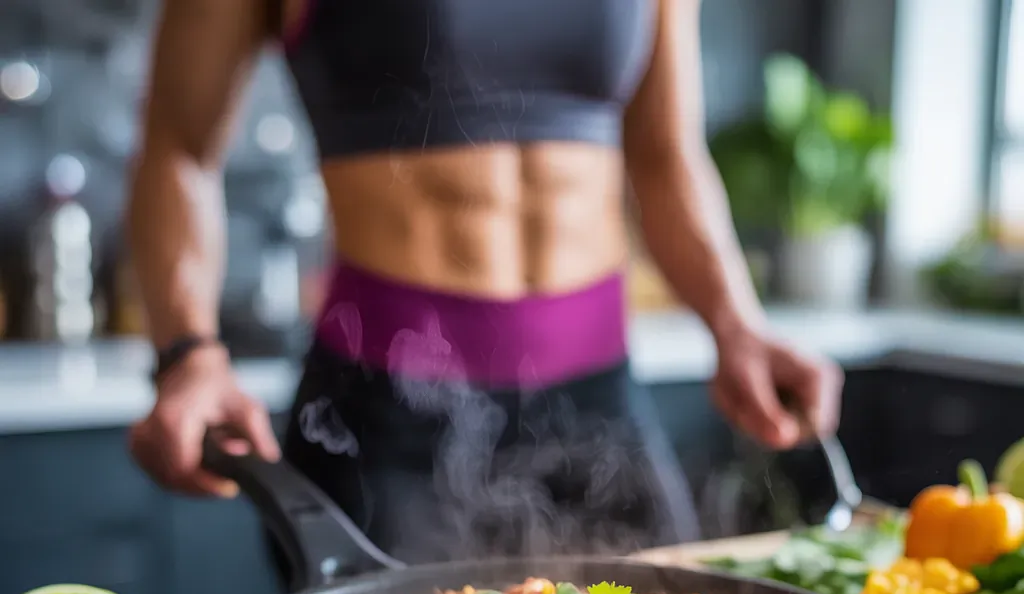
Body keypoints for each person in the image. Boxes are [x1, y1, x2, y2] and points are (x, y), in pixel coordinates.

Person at [129, 0, 842, 564]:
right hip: (389, 418)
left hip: (601, 406)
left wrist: (735, 322)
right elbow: (179, 150)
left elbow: (665, 156)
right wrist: (188, 355)